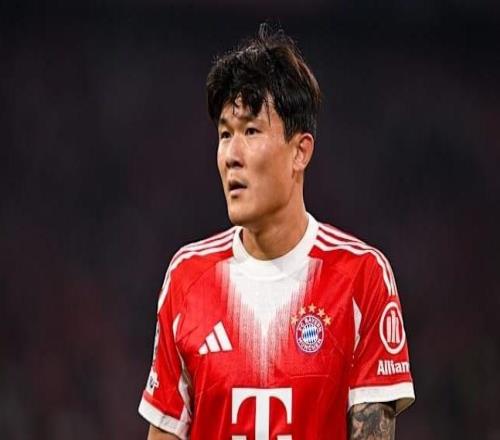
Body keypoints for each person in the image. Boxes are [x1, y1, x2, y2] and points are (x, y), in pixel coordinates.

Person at [138, 24, 415, 440]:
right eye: (225, 134)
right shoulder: (186, 278)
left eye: (251, 131)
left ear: (300, 152)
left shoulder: (361, 277)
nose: (231, 155)